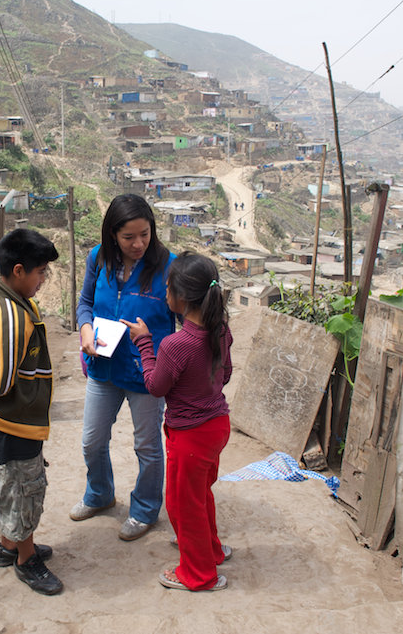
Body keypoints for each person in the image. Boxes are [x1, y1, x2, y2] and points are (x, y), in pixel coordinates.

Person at [122, 252, 233, 592]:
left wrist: (144, 344)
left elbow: (156, 387)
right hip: (217, 425)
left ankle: (199, 574)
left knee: (182, 505)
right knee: (199, 495)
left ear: (181, 297)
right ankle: (211, 550)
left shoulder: (175, 345)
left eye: (167, 287)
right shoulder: (220, 331)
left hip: (190, 436)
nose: (164, 293)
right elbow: (226, 374)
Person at [0, 228, 62, 595]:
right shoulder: (12, 316)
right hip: (14, 420)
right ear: (19, 270)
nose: (43, 279)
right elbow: (2, 384)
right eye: (40, 272)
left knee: (12, 483)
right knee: (25, 489)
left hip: (6, 420)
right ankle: (26, 559)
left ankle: (9, 546)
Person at [71, 193, 176, 542]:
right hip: (103, 366)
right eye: (129, 237)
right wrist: (85, 328)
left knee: (147, 445)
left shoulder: (168, 266)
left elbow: (189, 317)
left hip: (147, 373)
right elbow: (85, 303)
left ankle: (144, 509)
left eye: (145, 234)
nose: (138, 244)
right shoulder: (98, 258)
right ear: (112, 234)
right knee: (92, 441)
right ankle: (100, 494)